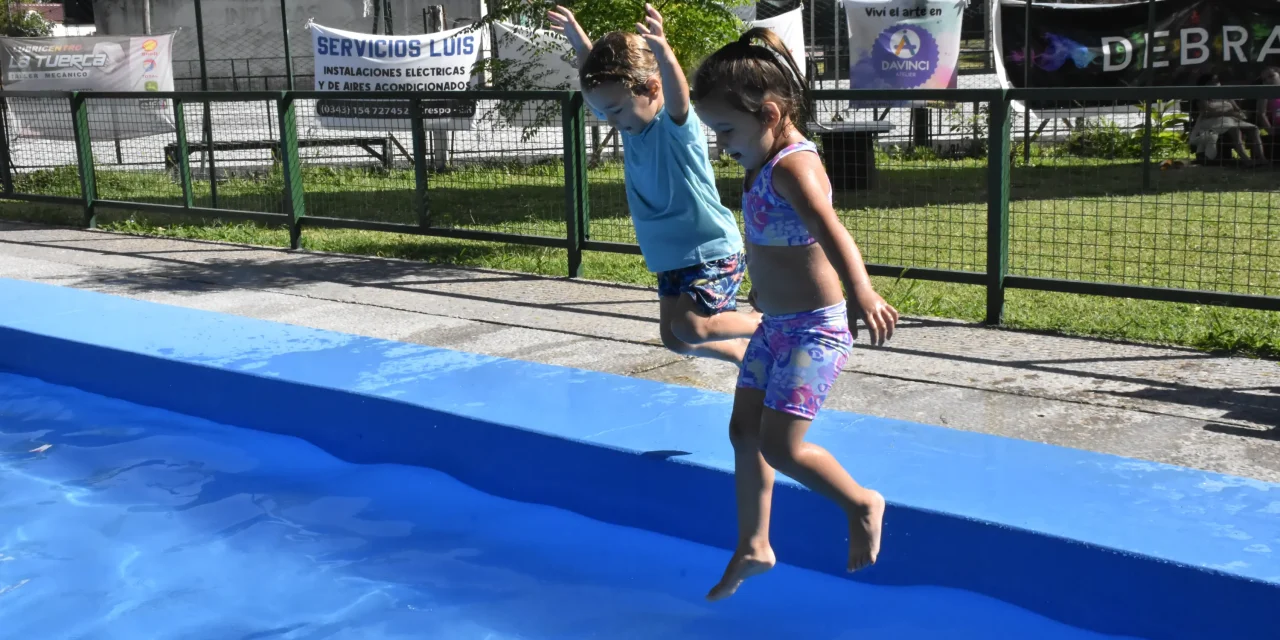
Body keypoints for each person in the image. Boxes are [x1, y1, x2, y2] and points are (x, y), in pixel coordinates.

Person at [689, 27, 901, 601]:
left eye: (727, 130)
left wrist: (862, 291)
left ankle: (861, 502)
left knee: (781, 446)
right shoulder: (763, 157)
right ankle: (754, 544)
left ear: (772, 112)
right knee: (743, 433)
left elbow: (831, 231)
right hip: (775, 327)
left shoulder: (793, 165)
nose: (721, 143)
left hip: (815, 330)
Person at [548, 4, 761, 364]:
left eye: (614, 111)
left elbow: (678, 94)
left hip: (708, 250)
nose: (609, 121)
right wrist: (577, 38)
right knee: (674, 338)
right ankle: (742, 352)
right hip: (669, 257)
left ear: (652, 87)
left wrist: (664, 52)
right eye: (602, 114)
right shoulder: (633, 124)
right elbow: (601, 79)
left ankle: (768, 324)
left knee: (692, 327)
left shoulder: (673, 127)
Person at [1189, 73, 1266, 166]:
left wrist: (1239, 114)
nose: (1216, 83)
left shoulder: (1225, 94)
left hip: (1231, 119)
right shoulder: (1202, 97)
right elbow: (1207, 113)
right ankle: (1246, 160)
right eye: (1212, 81)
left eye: (1216, 81)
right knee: (1235, 130)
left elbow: (1236, 110)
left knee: (1253, 129)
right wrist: (1228, 113)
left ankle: (1262, 159)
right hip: (1211, 122)